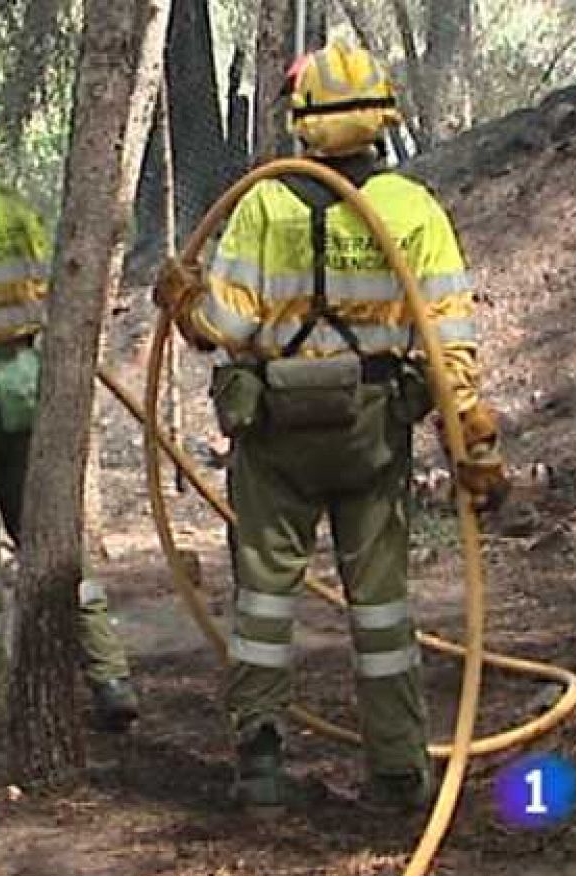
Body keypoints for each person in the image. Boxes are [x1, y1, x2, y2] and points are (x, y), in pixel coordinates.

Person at [157, 43, 509, 813]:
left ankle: (259, 767)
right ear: (384, 118)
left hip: (276, 431)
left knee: (264, 601)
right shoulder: (414, 211)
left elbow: (226, 321)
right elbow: (447, 336)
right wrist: (471, 438)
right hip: (373, 428)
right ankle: (397, 772)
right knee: (381, 604)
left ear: (301, 122)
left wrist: (184, 303)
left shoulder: (265, 204)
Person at [0, 65, 140, 737]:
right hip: (26, 385)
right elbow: (50, 287)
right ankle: (110, 674)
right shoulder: (6, 201)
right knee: (50, 537)